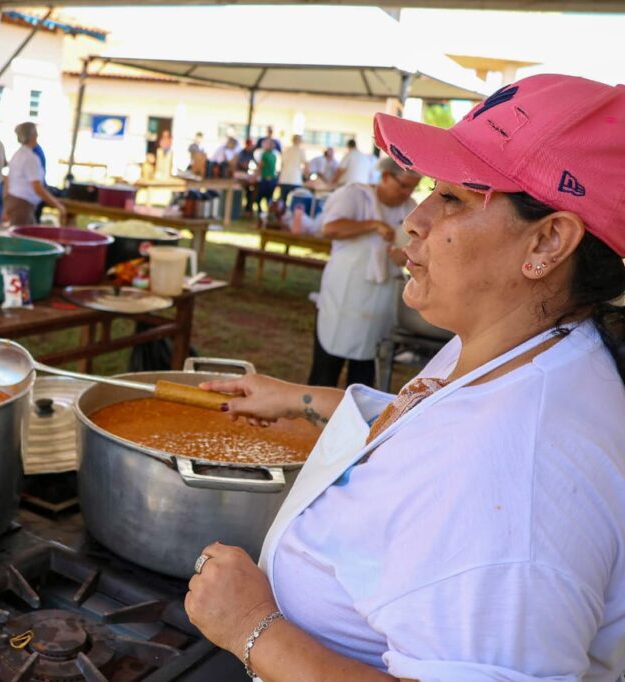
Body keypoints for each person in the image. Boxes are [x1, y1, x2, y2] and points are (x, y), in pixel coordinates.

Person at [185, 73, 625, 681]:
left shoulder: (516, 472)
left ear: (548, 241)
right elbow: (426, 416)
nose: (413, 220)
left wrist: (253, 627)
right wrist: (304, 399)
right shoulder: (519, 346)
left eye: (454, 197)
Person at [308, 156, 420, 387]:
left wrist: (405, 257)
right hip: (344, 293)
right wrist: (372, 225)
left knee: (365, 370)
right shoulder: (354, 195)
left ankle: (357, 418)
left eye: (413, 187)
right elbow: (330, 228)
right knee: (325, 370)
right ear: (386, 177)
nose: (407, 192)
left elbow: (415, 249)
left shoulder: (411, 209)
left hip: (380, 299)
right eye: (403, 185)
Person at [3, 121, 65, 226]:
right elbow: (36, 186)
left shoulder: (18, 154)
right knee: (21, 239)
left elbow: (8, 180)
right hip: (22, 204)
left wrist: (6, 203)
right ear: (32, 136)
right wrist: (57, 205)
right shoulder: (30, 158)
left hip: (16, 201)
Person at [278, 133, 308, 206]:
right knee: (296, 200)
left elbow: (281, 164)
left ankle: (281, 215)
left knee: (282, 200)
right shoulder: (301, 151)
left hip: (284, 179)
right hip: (296, 180)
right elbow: (306, 164)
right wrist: (306, 176)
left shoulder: (286, 150)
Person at [255, 137, 278, 215]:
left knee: (259, 198)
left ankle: (261, 215)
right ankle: (268, 215)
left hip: (266, 180)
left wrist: (255, 175)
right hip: (273, 180)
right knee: (269, 199)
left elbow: (260, 166)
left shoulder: (265, 154)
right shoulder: (274, 155)